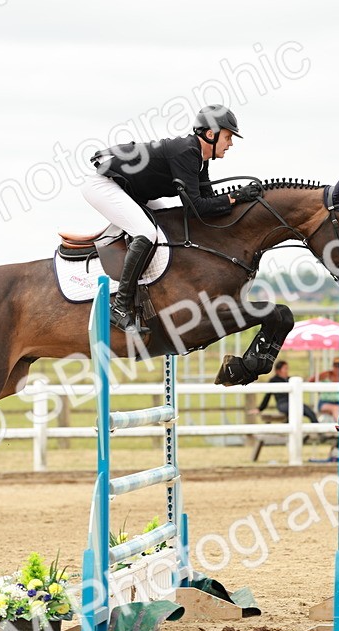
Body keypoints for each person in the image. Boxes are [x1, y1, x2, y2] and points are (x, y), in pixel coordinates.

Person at [82, 104, 260, 334]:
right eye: (227, 137)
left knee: (166, 228)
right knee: (146, 233)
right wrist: (235, 197)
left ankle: (149, 296)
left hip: (130, 190)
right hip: (105, 184)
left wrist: (239, 200)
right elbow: (196, 207)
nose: (231, 143)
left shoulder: (200, 159)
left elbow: (207, 206)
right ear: (210, 134)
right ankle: (119, 307)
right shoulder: (187, 152)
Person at [255, 360, 319, 424]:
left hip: (293, 401)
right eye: (285, 368)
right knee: (294, 411)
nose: (287, 370)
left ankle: (317, 429)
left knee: (310, 412)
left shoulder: (290, 379)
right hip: (282, 403)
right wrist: (260, 409)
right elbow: (267, 396)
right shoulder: (273, 380)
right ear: (278, 370)